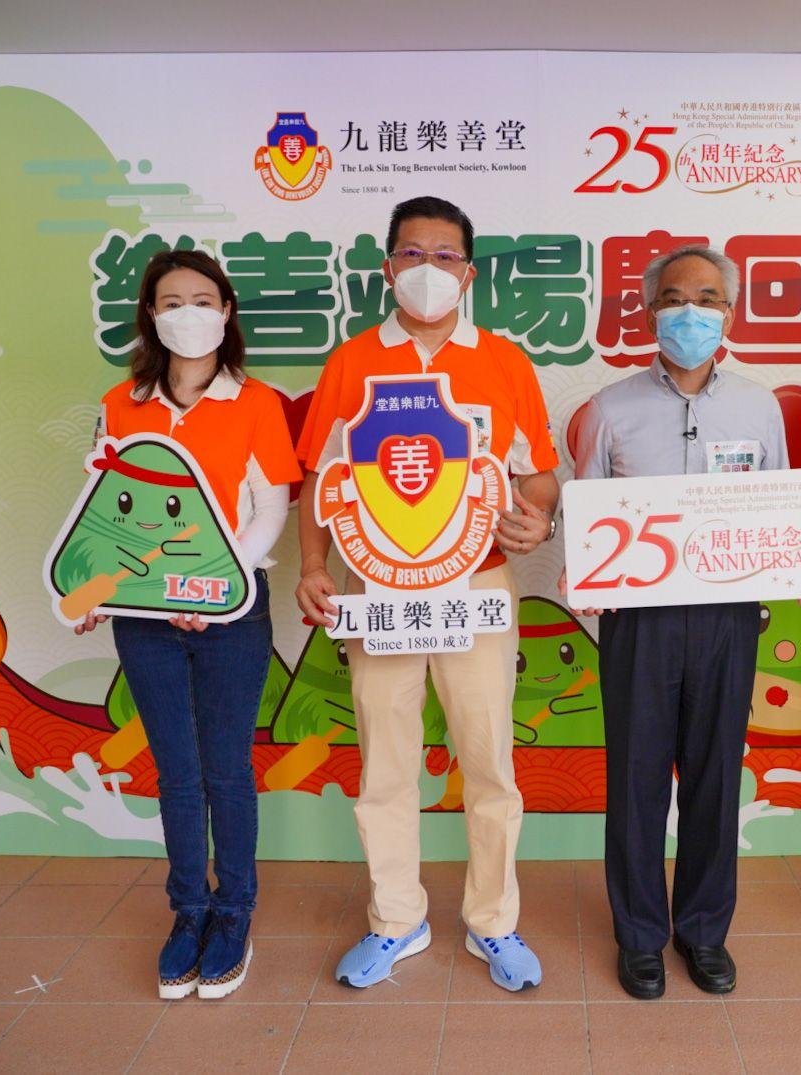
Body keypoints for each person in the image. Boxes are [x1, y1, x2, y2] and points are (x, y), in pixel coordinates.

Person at [293, 196, 561, 992]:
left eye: (445, 256)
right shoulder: (352, 361)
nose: (428, 269)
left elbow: (538, 472)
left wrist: (538, 516)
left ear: (468, 274)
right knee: (386, 761)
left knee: (488, 758)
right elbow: (316, 478)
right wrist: (312, 564)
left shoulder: (503, 361)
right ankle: (395, 919)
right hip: (377, 585)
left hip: (476, 583)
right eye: (412, 253)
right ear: (387, 269)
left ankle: (493, 921)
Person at [565, 245, 801, 1000]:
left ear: (729, 312)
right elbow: (586, 509)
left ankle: (702, 931)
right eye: (674, 299)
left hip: (728, 615)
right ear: (649, 311)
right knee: (635, 778)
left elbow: (782, 507)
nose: (690, 313)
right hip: (639, 621)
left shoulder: (758, 406)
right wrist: (583, 572)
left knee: (717, 775)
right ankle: (639, 936)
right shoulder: (610, 408)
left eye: (707, 299)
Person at [72, 248, 300, 1000]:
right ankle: (188, 911)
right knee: (176, 771)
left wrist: (211, 588)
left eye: (203, 300)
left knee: (226, 770)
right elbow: (107, 513)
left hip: (231, 613)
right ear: (150, 314)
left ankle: (233, 913)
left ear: (226, 311)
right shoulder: (120, 404)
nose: (188, 314)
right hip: (143, 619)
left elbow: (270, 510)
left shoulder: (257, 403)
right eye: (171, 302)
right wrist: (91, 588)